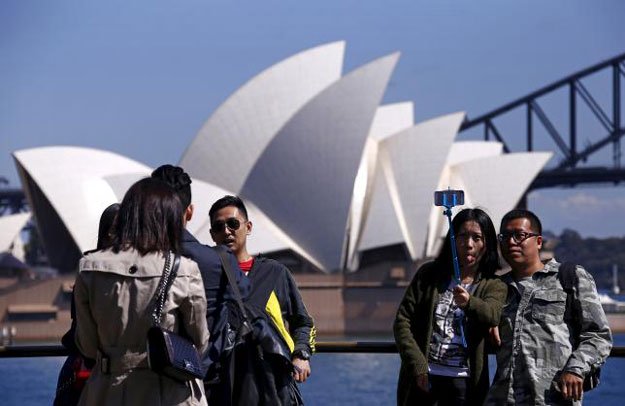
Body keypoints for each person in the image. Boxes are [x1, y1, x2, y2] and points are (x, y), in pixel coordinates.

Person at [73, 178, 209, 405]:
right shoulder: (184, 269)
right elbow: (199, 341)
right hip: (170, 392)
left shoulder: (90, 267)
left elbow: (87, 345)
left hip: (109, 391)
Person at [485, 209, 612, 405]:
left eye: (520, 235)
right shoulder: (496, 288)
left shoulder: (569, 277)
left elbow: (598, 335)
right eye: (505, 236)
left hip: (553, 398)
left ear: (538, 241)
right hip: (503, 399)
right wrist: (488, 318)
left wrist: (575, 369)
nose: (511, 242)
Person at [393, 208, 507, 405]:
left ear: (487, 244)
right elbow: (402, 321)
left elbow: (492, 315)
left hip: (463, 383)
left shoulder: (494, 285)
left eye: (477, 238)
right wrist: (418, 365)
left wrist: (470, 303)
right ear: (452, 240)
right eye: (462, 236)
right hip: (423, 379)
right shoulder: (429, 275)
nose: (468, 244)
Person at [208, 195, 316, 403]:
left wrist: (301, 355)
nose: (226, 231)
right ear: (212, 235)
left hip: (273, 386)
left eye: (233, 224)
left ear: (248, 227)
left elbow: (304, 322)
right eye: (219, 227)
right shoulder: (207, 277)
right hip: (222, 388)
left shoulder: (275, 273)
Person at [150, 165, 250, 335]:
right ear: (189, 212)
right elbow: (244, 292)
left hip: (144, 359)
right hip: (206, 360)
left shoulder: (130, 260)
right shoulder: (220, 261)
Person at [54, 203, 119, 406]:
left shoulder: (88, 268)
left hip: (85, 365)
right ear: (108, 234)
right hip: (95, 369)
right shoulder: (88, 270)